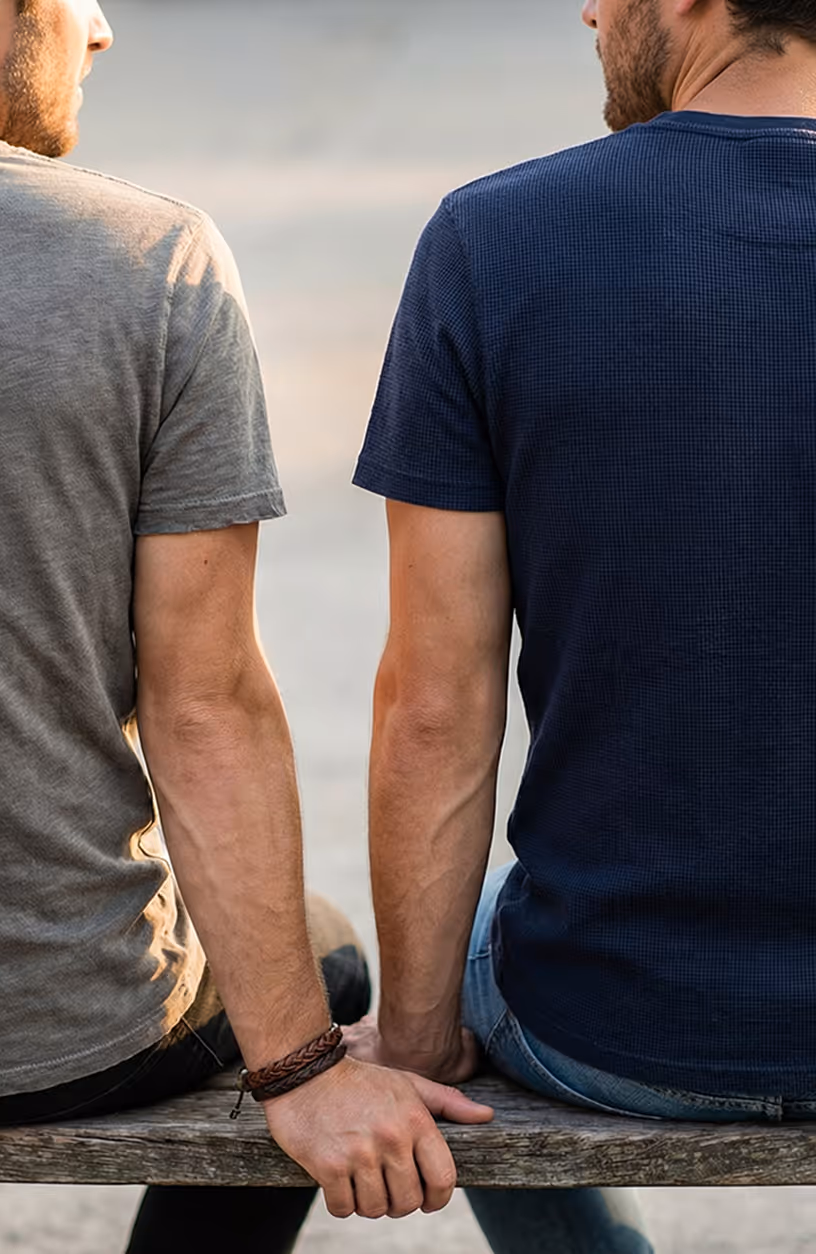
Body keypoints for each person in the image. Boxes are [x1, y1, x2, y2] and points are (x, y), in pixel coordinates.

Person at [0, 0, 494, 1248]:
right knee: (326, 965)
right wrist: (302, 1070)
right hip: (58, 1029)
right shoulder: (147, 261)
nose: (102, 30)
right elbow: (205, 706)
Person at [347, 0, 816, 1250]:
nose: (592, 12)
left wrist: (414, 1038)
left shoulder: (494, 238)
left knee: (475, 958)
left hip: (617, 1022)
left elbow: (437, 707)